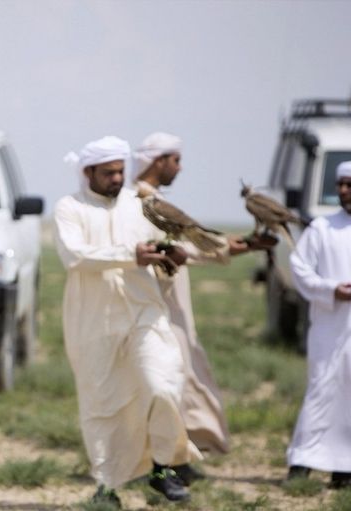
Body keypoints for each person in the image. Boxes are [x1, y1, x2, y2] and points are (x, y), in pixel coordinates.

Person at [54, 136, 201, 506]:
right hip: (93, 322)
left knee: (163, 385)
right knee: (103, 405)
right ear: (88, 172)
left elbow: (161, 249)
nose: (118, 178)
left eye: (121, 170)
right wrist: (129, 255)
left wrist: (171, 260)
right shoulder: (69, 207)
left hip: (144, 313)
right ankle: (107, 485)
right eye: (109, 172)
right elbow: (74, 254)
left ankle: (162, 467)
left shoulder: (140, 205)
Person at [132, 132, 253, 483]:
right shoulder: (137, 204)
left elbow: (193, 245)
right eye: (176, 160)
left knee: (178, 382)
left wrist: (239, 246)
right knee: (164, 384)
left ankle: (174, 460)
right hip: (153, 308)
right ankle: (159, 464)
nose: (180, 168)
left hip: (173, 306)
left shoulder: (156, 203)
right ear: (159, 161)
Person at [285, 160, 351, 490]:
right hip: (329, 325)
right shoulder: (322, 229)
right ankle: (302, 463)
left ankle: (344, 470)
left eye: (349, 185)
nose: (343, 191)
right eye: (341, 184)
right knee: (322, 390)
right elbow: (299, 268)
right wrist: (331, 290)